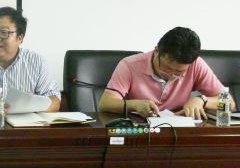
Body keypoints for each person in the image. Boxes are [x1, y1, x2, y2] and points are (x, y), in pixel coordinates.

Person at [98, 27, 234, 120]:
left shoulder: (196, 65)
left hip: (179, 132)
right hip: (141, 130)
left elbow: (230, 104)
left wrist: (202, 100)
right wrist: (135, 105)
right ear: (157, 51)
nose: (171, 76)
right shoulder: (129, 65)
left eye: (179, 72)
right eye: (166, 69)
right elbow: (105, 104)